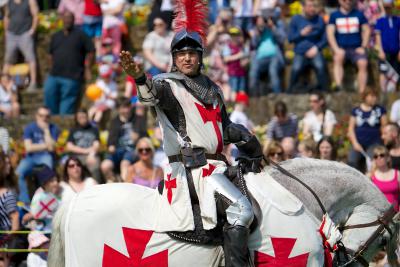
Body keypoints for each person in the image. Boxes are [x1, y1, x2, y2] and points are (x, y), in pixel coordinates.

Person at [120, 0, 262, 264]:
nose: (187, 58)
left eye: (192, 53)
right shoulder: (167, 85)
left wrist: (246, 138)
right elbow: (150, 96)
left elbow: (221, 129)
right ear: (174, 58)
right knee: (241, 210)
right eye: (181, 54)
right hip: (193, 171)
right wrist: (139, 78)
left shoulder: (214, 89)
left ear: (200, 57)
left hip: (219, 166)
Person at [44, 11, 95, 115]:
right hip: (54, 75)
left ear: (74, 20)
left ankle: (63, 125)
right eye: (66, 18)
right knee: (48, 94)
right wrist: (51, 67)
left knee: (65, 110)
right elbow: (49, 54)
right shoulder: (56, 36)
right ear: (62, 19)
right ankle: (53, 120)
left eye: (70, 18)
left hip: (72, 77)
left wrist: (87, 67)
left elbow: (91, 51)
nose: (68, 20)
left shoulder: (81, 35)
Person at [16, 106, 60, 204]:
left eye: (47, 116)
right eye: (41, 115)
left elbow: (51, 148)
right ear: (36, 116)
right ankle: (25, 201)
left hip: (46, 156)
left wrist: (46, 131)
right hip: (31, 158)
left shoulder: (53, 128)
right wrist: (46, 145)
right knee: (18, 173)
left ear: (50, 117)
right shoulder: (30, 128)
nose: (44, 118)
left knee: (48, 174)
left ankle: (47, 198)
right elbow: (28, 148)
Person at [326, 0, 370, 93]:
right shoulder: (334, 15)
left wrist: (363, 46)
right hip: (341, 48)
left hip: (356, 47)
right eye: (344, 0)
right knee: (338, 58)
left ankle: (362, 92)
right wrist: (336, 49)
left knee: (363, 62)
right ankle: (338, 87)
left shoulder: (359, 14)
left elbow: (367, 30)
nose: (347, 1)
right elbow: (330, 33)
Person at [100, 97, 145, 183]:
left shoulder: (137, 119)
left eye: (127, 107)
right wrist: (110, 146)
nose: (126, 110)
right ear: (118, 109)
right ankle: (113, 182)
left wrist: (138, 137)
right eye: (123, 108)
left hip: (132, 150)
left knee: (125, 164)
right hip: (117, 150)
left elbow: (145, 136)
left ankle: (124, 186)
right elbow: (111, 139)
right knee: (105, 166)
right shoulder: (114, 121)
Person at [288, 0, 328, 92]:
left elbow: (325, 39)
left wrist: (317, 48)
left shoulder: (319, 20)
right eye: (309, 6)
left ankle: (324, 91)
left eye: (314, 6)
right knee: (296, 68)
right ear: (303, 7)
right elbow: (290, 38)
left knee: (320, 66)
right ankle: (290, 90)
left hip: (314, 50)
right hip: (300, 51)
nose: (312, 9)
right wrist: (301, 34)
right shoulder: (296, 19)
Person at [347, 88, 388, 172]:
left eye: (376, 96)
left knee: (372, 163)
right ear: (365, 97)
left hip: (375, 143)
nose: (375, 98)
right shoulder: (356, 110)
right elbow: (350, 128)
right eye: (372, 96)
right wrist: (355, 143)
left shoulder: (380, 110)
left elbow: (385, 126)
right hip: (358, 143)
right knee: (351, 162)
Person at [2, 0, 39, 91]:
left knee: (30, 59)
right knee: (8, 61)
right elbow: (6, 17)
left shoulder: (30, 1)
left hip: (25, 33)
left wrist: (32, 30)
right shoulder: (9, 3)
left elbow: (36, 16)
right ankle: (3, 84)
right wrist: (6, 31)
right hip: (11, 34)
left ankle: (33, 83)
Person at [248, 9, 286, 95]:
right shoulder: (258, 28)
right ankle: (253, 96)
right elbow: (254, 44)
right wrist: (258, 30)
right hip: (260, 57)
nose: (265, 20)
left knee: (273, 70)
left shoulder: (278, 25)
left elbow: (282, 39)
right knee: (253, 72)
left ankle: (277, 94)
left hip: (275, 56)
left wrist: (272, 27)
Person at [65, 109, 101, 182]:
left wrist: (91, 154)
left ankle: (97, 187)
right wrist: (85, 151)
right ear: (77, 119)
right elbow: (69, 146)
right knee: (72, 166)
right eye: (80, 117)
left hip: (91, 155)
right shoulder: (73, 130)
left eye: (84, 117)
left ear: (87, 117)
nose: (82, 119)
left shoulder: (94, 129)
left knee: (94, 165)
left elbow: (96, 144)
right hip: (76, 156)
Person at [375, 0, 400, 92]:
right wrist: (380, 50)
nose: (388, 9)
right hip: (385, 51)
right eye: (386, 7)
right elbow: (378, 37)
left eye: (389, 7)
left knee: (396, 72)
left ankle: (393, 90)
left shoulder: (397, 20)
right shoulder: (380, 21)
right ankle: (383, 90)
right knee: (383, 71)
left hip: (396, 51)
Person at [0, 152, 19, 267]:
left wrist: (3, 240)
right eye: (5, 164)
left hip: (4, 246)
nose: (9, 166)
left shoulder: (8, 195)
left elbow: (15, 227)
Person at [28, 165, 60, 232]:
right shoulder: (39, 196)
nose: (56, 183)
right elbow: (35, 214)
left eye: (56, 180)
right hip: (43, 232)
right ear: (44, 183)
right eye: (52, 181)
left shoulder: (55, 194)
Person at [222, 27, 250, 102]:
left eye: (236, 35)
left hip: (241, 72)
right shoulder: (227, 47)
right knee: (233, 90)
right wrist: (238, 56)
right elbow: (226, 59)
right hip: (232, 73)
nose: (234, 37)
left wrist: (246, 61)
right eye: (232, 35)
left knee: (242, 90)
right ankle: (234, 106)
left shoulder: (242, 47)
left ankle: (242, 105)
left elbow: (246, 58)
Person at [369, 145, 399, 211]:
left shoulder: (397, 174)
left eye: (382, 155)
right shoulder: (371, 176)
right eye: (376, 156)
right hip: (378, 215)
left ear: (388, 158)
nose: (379, 158)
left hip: (396, 215)